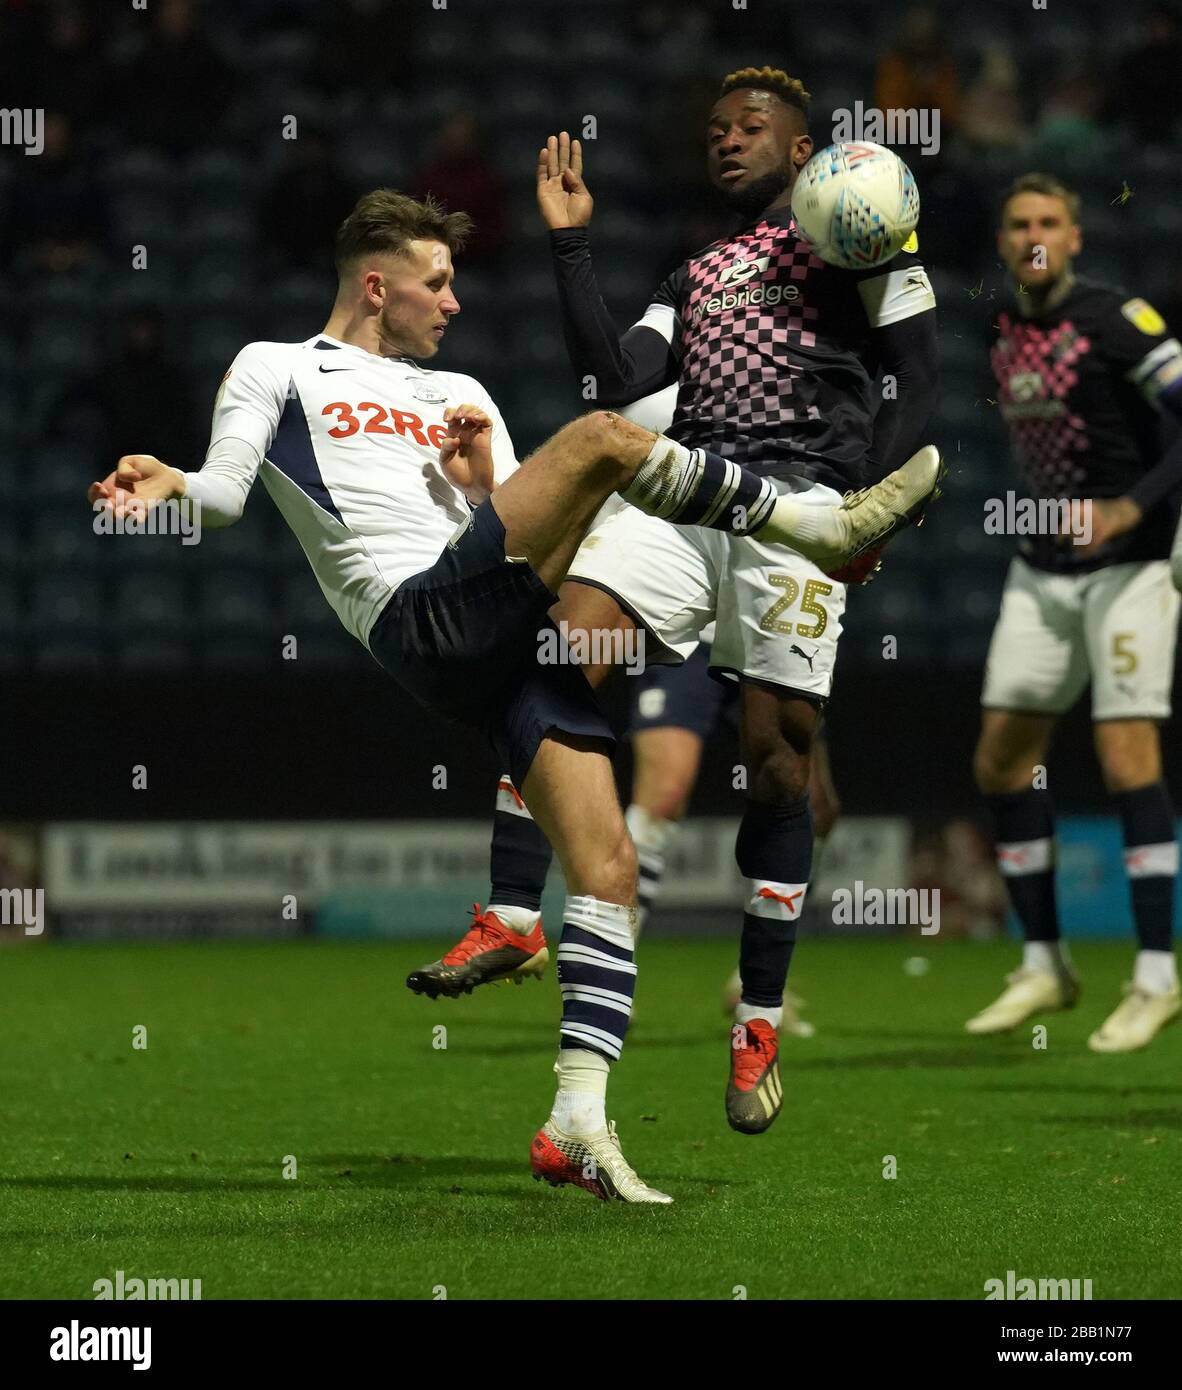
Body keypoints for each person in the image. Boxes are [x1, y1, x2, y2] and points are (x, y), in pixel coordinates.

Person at [88, 189, 936, 1201]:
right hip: (419, 618)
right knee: (606, 443)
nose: (453, 301)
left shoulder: (468, 391)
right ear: (376, 284)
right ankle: (818, 527)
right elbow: (226, 495)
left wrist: (489, 481)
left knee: (611, 867)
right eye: (435, 282)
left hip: (494, 629)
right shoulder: (278, 366)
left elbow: (510, 529)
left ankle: (576, 1122)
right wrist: (167, 486)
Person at [410, 66, 941, 1138]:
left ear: (805, 153)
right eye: (715, 128)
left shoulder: (862, 232)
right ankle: (516, 911)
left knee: (777, 762)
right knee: (555, 651)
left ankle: (756, 1021)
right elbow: (610, 391)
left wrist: (873, 513)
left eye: (750, 126)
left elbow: (916, 380)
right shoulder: (696, 270)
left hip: (801, 513)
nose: (726, 139)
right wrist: (571, 245)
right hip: (687, 494)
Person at [970, 174, 1182, 1052]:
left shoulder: (1116, 319)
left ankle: (1155, 979)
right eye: (1018, 222)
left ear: (1078, 235)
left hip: (1131, 565)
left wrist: (1135, 508)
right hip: (1043, 567)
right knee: (1000, 762)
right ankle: (1046, 964)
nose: (1034, 235)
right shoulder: (1007, 325)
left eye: (1050, 220)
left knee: (1126, 753)